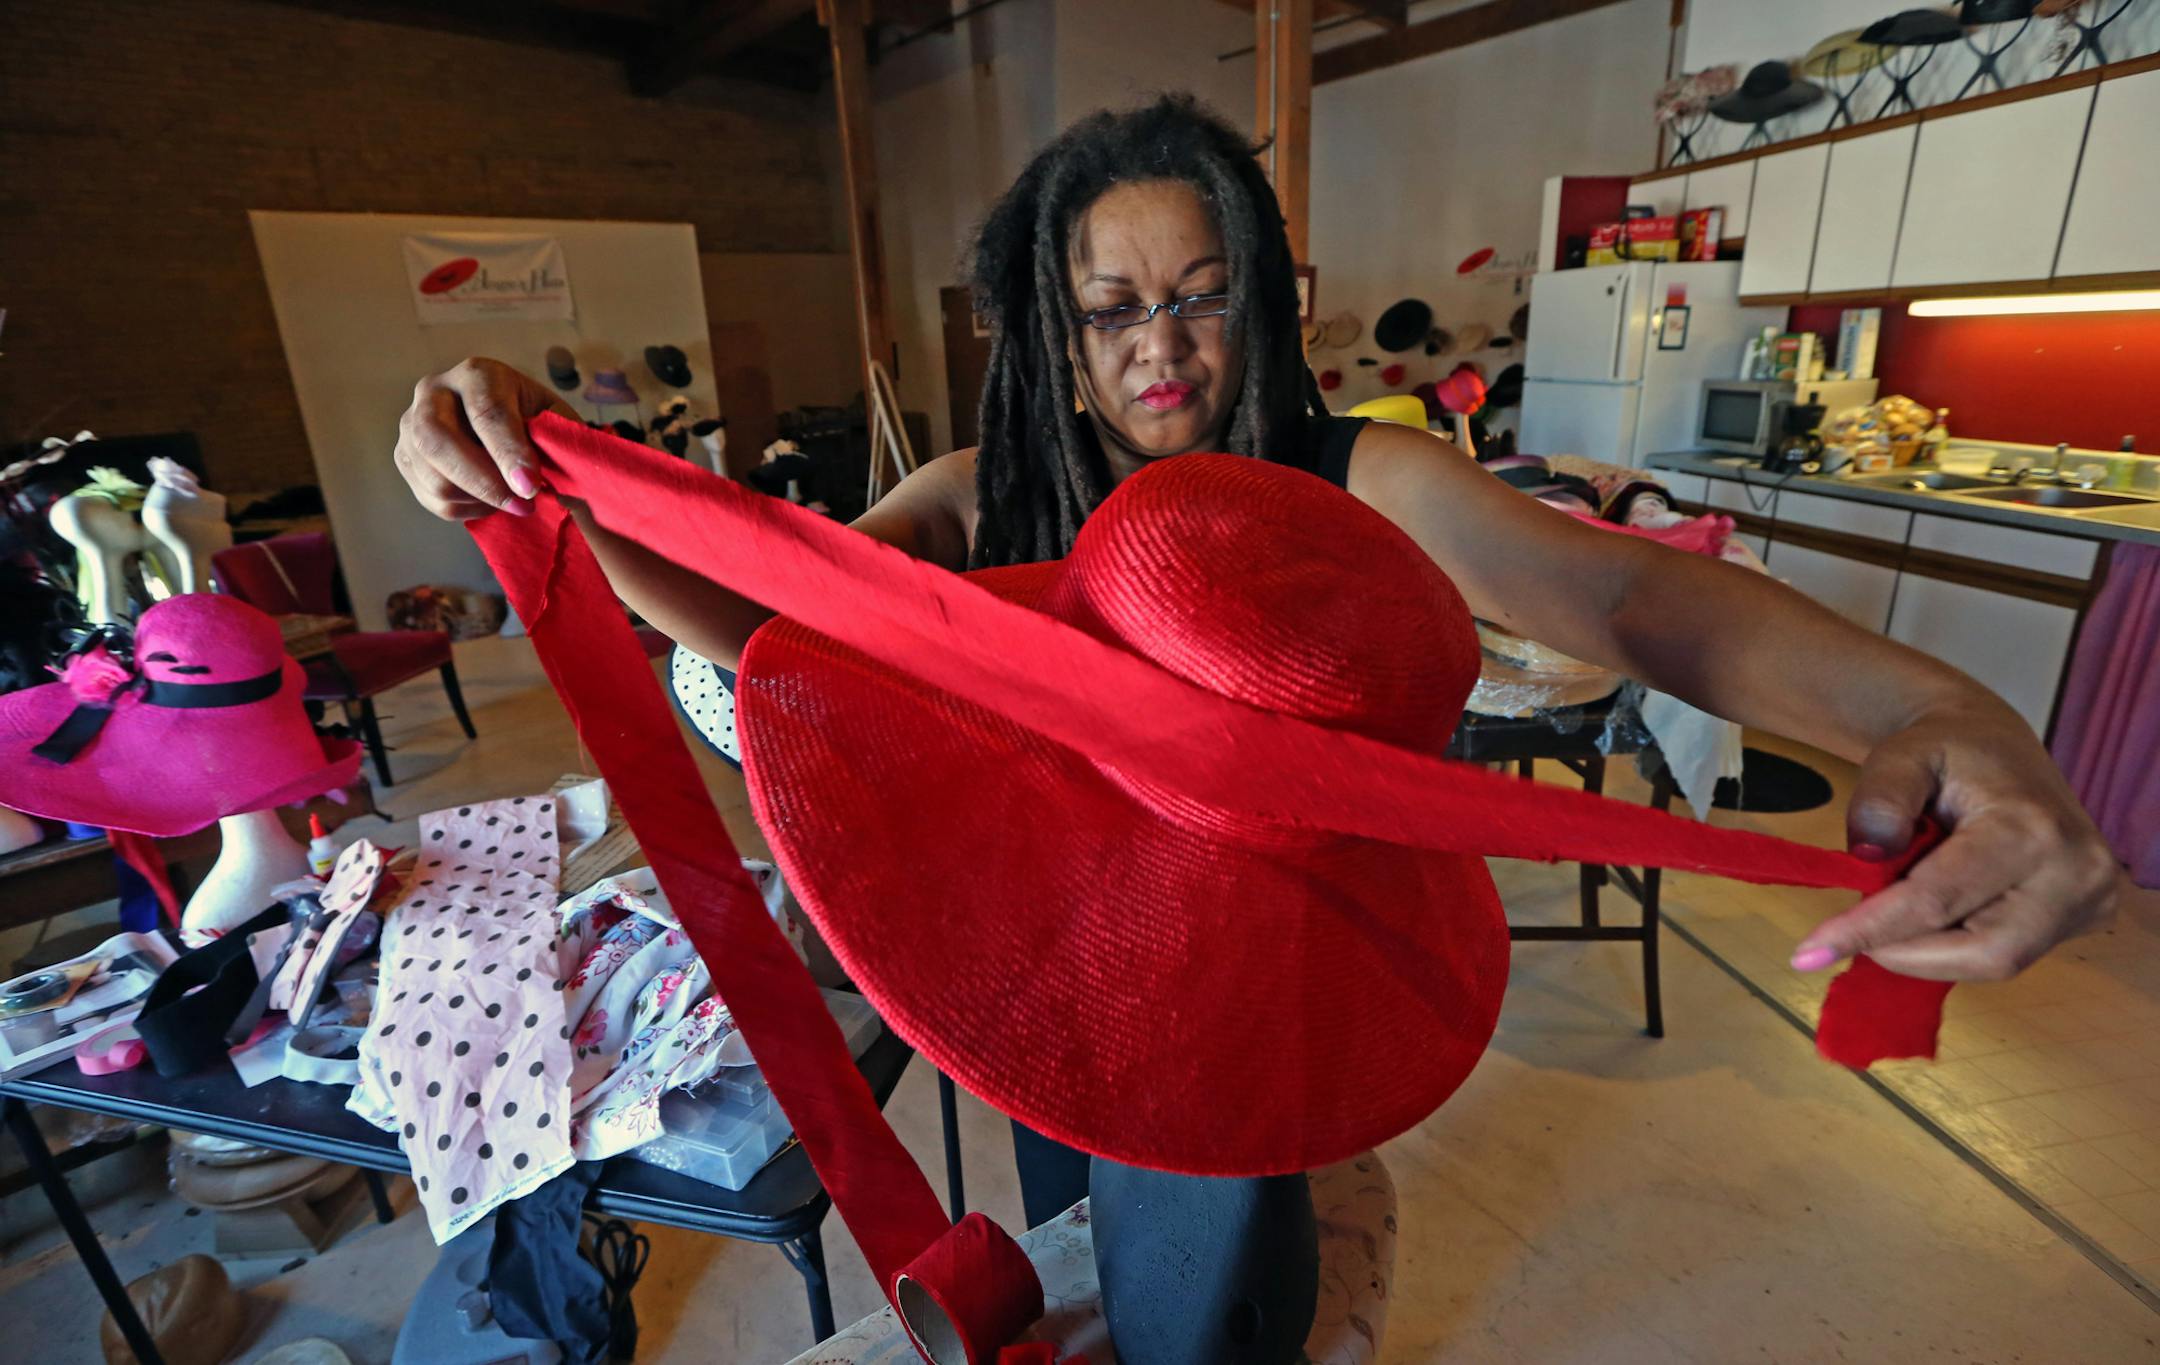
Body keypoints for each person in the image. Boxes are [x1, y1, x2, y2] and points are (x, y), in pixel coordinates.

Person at [394, 95, 2119, 1223]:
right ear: (1058, 327)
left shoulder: (1354, 472)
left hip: (1298, 961)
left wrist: (1931, 707)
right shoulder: (984, 493)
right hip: (1048, 947)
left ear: (1263, 305)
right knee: (1078, 1193)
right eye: (1117, 306)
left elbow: (1627, 602)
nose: (1164, 345)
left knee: (1241, 1246)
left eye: (1203, 296)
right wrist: (559, 492)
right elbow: (779, 627)